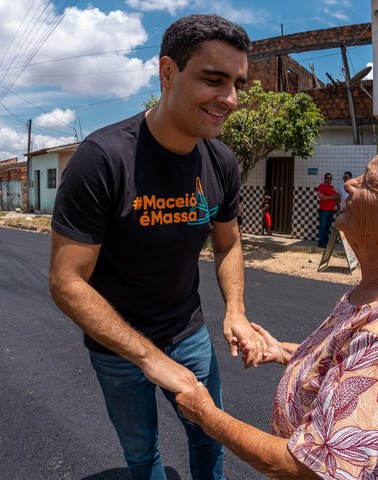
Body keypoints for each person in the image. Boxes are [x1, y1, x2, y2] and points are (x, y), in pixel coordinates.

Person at [175, 130, 378, 479]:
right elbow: (350, 362)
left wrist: (206, 414)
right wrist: (284, 352)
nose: (351, 185)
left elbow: (309, 469)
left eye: (369, 183)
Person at [48, 14, 264, 480]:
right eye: (213, 79)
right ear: (168, 72)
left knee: (212, 441)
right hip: (119, 348)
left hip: (189, 335)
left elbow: (227, 244)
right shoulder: (103, 159)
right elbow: (67, 282)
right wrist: (148, 357)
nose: (229, 98)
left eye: (237, 84)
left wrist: (236, 311)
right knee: (142, 455)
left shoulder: (220, 161)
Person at [317, 172, 340, 248]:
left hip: (331, 210)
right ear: (325, 178)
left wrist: (337, 205)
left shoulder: (332, 187)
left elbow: (336, 196)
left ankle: (326, 242)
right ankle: (321, 242)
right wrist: (332, 197)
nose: (329, 179)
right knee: (323, 226)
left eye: (330, 178)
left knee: (328, 226)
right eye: (328, 178)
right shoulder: (322, 186)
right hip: (324, 210)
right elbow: (321, 197)